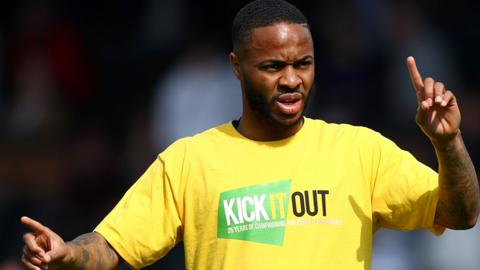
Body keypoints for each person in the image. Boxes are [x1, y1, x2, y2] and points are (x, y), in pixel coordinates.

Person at [20, 0, 479, 269]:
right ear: (237, 68)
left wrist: (448, 143)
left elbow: (460, 215)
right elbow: (111, 246)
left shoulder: (360, 151)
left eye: (303, 64)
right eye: (273, 67)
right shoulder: (190, 160)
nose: (292, 80)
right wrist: (69, 255)